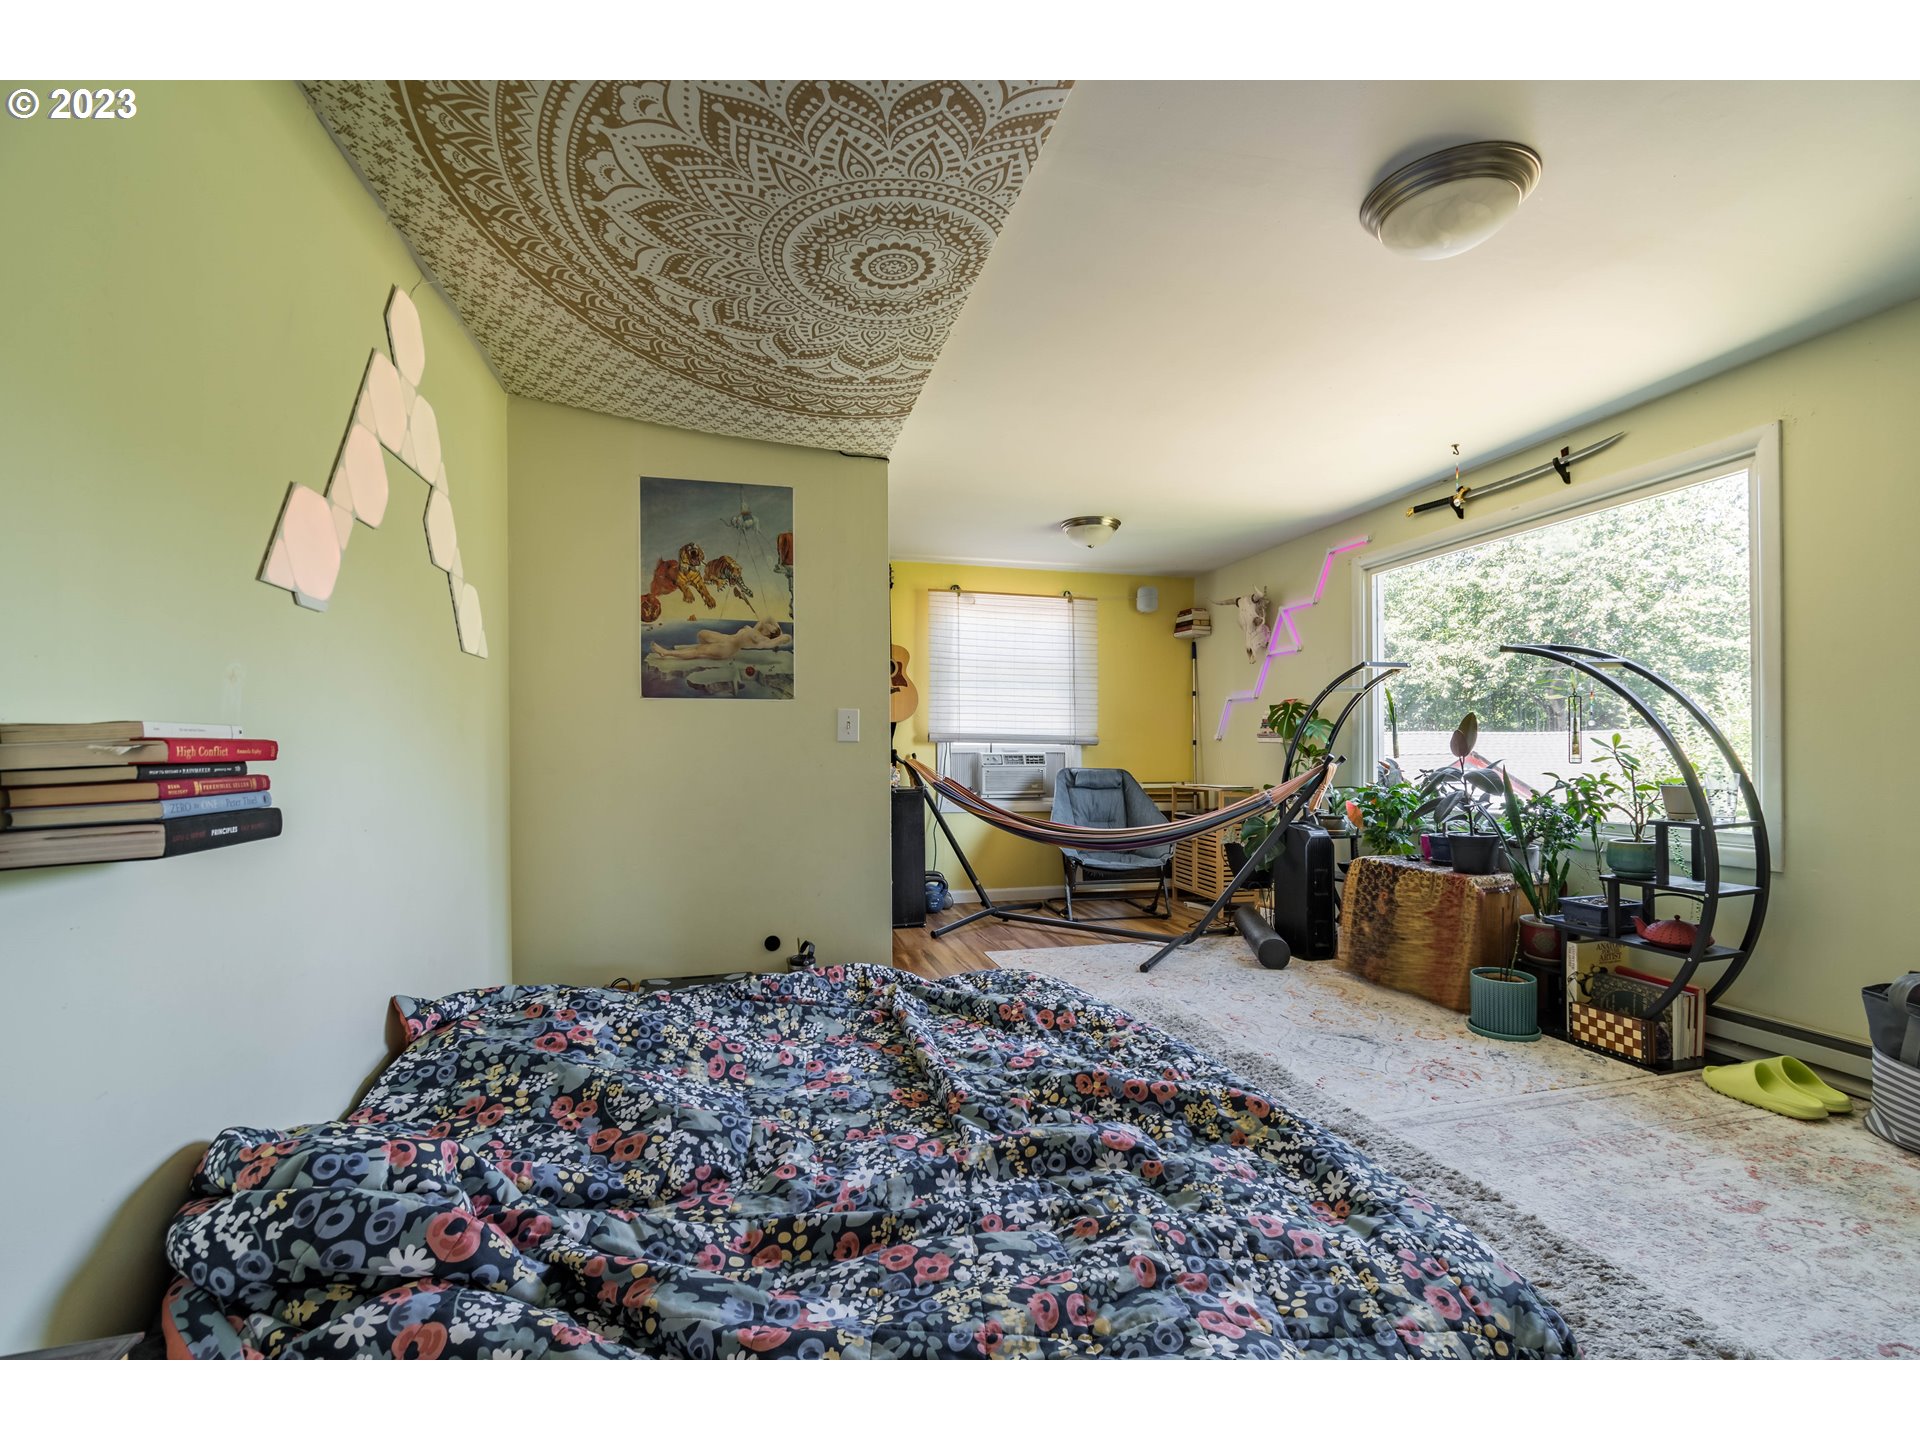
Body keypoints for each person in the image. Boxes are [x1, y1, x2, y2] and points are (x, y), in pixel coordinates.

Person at [649, 617, 791, 661]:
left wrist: (779, 637)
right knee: (701, 634)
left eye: (771, 627)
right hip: (726, 638)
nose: (768, 624)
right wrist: (778, 628)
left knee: (699, 650)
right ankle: (699, 651)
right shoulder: (757, 629)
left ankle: (666, 653)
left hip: (728, 648)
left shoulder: (763, 641)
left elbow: (785, 638)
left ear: (770, 633)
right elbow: (768, 618)